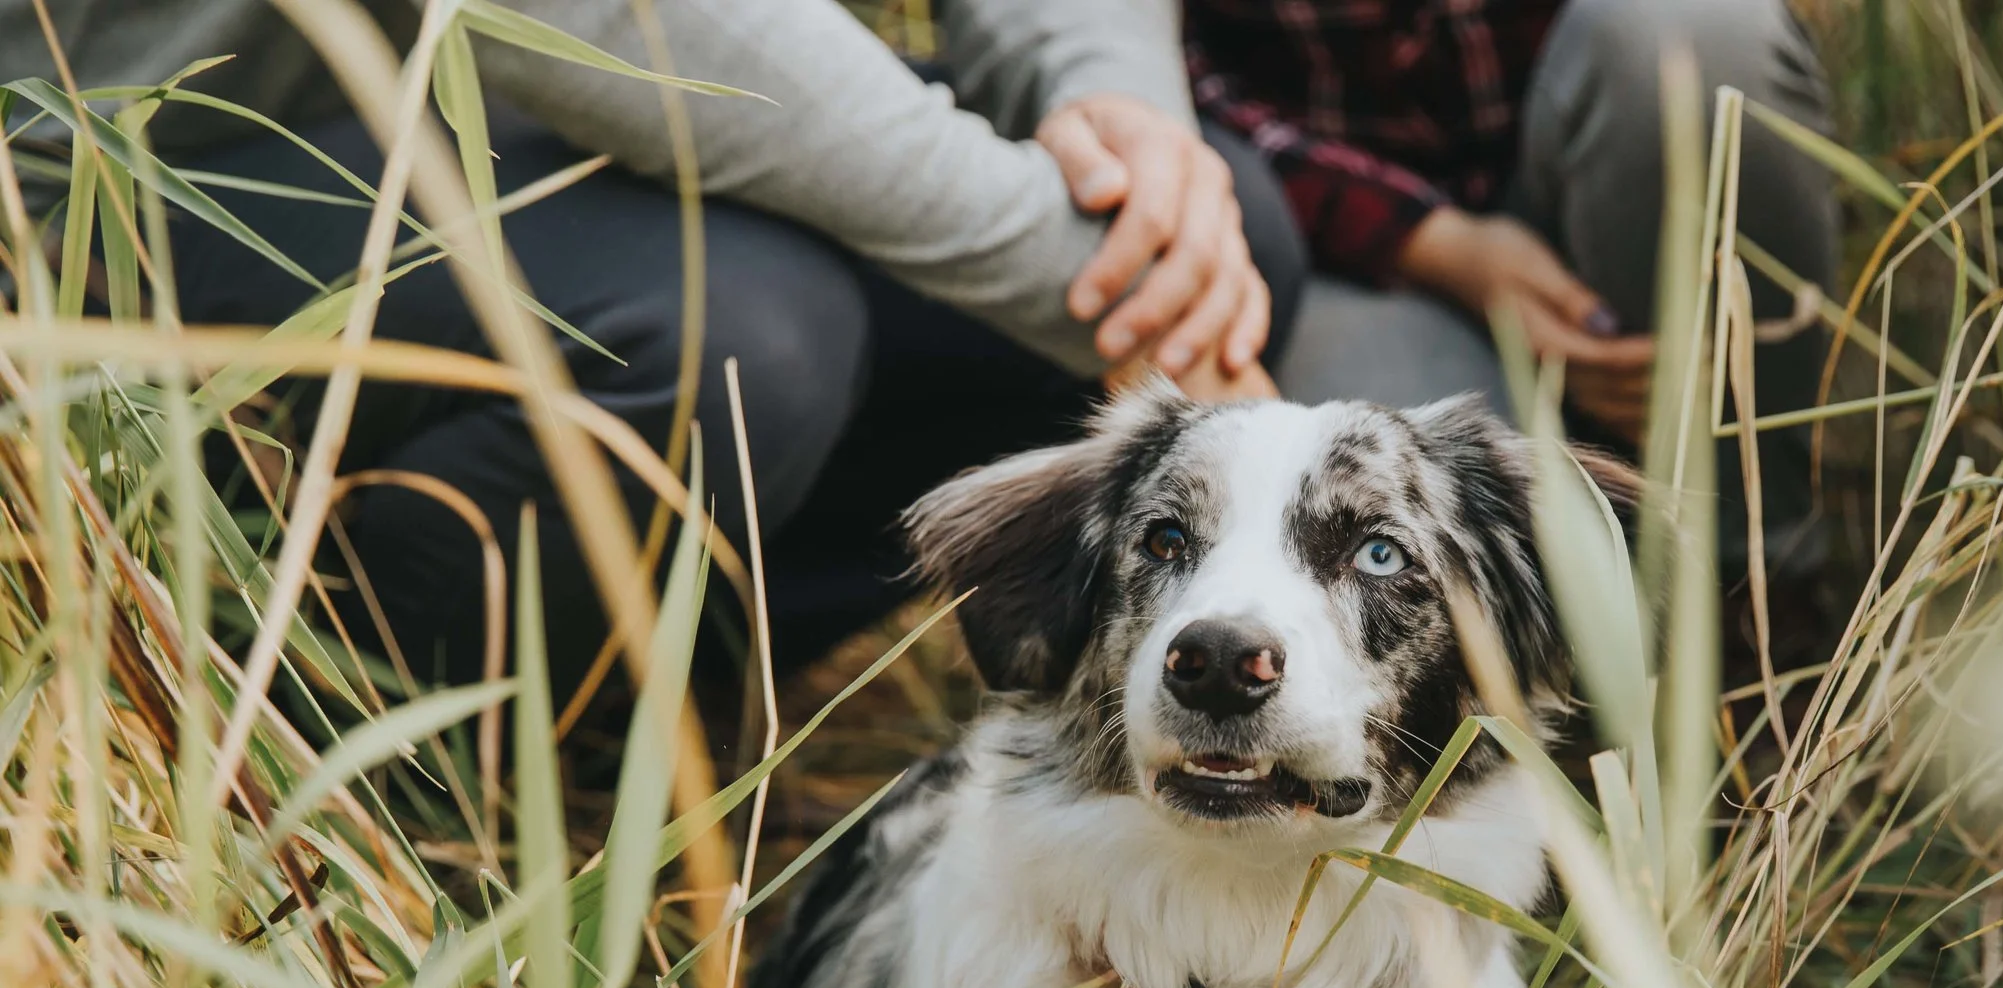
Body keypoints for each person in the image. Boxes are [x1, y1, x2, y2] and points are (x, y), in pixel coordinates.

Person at [2, 0, 1303, 690]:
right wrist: (1107, 292)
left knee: (1214, 227)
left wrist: (1109, 100)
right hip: (102, 191)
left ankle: (635, 687)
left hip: (473, 125)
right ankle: (323, 715)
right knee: (728, 342)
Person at [1188, 0, 1837, 571]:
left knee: (1695, 32)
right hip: (1342, 254)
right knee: (1397, 521)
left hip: (1598, 154)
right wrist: (1437, 246)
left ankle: (1759, 577)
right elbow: (1175, 85)